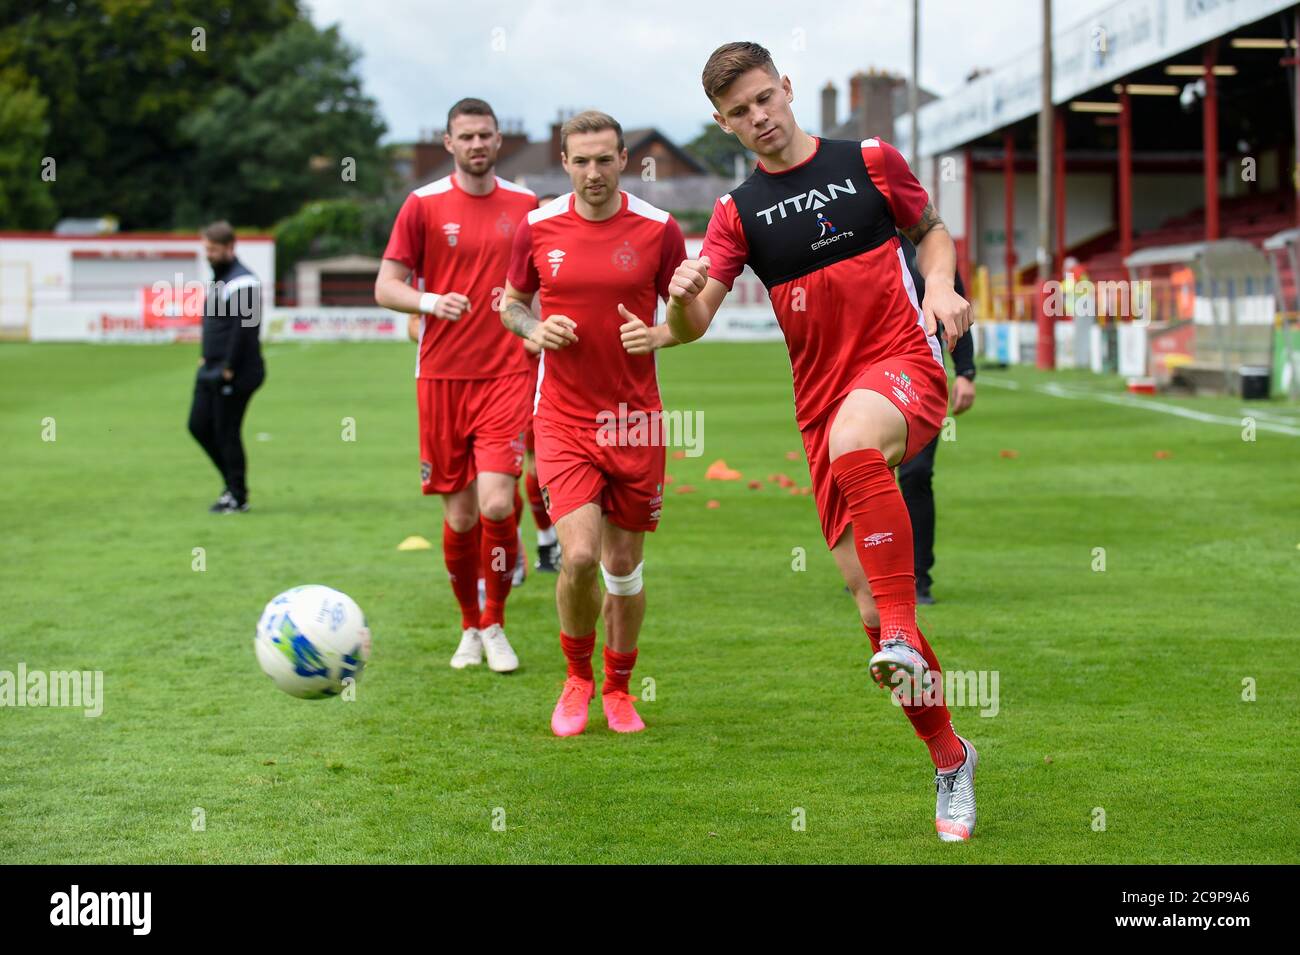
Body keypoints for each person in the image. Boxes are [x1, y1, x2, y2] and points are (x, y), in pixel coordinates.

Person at [665, 42, 978, 841]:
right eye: (739, 111)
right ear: (722, 122)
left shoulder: (870, 160)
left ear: (787, 88)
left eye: (765, 98)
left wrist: (939, 282)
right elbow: (696, 322)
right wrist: (677, 303)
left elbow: (933, 232)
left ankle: (906, 629)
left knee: (855, 444)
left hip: (904, 364)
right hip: (820, 402)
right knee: (869, 605)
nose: (758, 117)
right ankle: (950, 758)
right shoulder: (737, 212)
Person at [499, 111, 685, 736]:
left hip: (637, 423)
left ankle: (620, 689)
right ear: (565, 162)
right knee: (578, 556)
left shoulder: (660, 230)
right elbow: (511, 304)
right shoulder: (537, 226)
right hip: (564, 418)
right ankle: (577, 678)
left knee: (624, 566)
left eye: (604, 159)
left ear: (624, 159)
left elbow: (689, 319)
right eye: (581, 160)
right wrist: (534, 328)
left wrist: (659, 331)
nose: (593, 172)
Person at [376, 97, 537, 673]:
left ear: (499, 141)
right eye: (465, 136)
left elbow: (543, 282)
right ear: (449, 143)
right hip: (441, 376)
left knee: (496, 502)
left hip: (507, 372)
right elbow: (386, 285)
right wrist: (427, 300)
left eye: (485, 135)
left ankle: (495, 623)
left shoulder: (525, 205)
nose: (476, 145)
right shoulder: (420, 206)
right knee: (462, 516)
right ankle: (468, 626)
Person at [896, 234, 977, 605]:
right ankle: (873, 569)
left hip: (922, 379)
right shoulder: (857, 238)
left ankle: (918, 578)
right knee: (866, 474)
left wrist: (966, 372)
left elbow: (957, 307)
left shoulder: (928, 248)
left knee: (914, 475)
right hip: (863, 375)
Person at [188, 220, 265, 514]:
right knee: (198, 426)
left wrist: (229, 366)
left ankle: (237, 495)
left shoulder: (244, 281)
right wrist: (205, 355)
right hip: (211, 367)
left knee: (226, 431)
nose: (208, 254)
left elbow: (246, 329)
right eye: (206, 248)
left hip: (236, 371)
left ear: (230, 248)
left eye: (213, 249)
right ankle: (231, 485)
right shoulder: (221, 278)